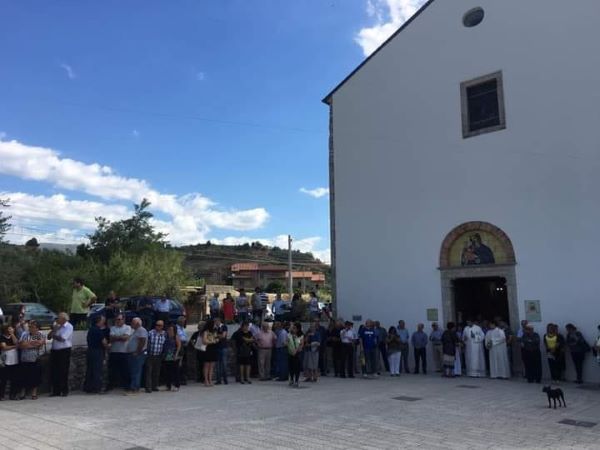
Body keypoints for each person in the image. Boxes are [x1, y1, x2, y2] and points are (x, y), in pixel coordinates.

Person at [17, 320, 45, 400]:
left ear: (37, 328)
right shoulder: (24, 334)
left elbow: (40, 344)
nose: (30, 328)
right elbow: (21, 345)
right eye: (29, 327)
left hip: (35, 358)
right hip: (25, 358)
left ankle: (34, 393)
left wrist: (28, 344)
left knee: (35, 376)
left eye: (32, 327)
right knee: (23, 376)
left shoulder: (41, 334)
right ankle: (22, 393)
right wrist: (33, 344)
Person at [48, 312, 73, 397]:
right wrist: (54, 329)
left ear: (63, 319)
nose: (57, 319)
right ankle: (56, 390)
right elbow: (48, 337)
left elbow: (62, 338)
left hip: (64, 350)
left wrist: (54, 335)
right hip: (55, 350)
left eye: (58, 318)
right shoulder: (56, 325)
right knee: (54, 370)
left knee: (63, 370)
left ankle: (64, 390)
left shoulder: (69, 327)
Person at [84, 315, 109, 393]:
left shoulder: (91, 329)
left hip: (90, 350)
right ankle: (97, 388)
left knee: (90, 369)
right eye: (102, 321)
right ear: (99, 321)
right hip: (97, 351)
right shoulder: (98, 331)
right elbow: (104, 342)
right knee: (97, 370)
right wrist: (108, 346)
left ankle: (88, 387)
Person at [107, 314, 131, 391]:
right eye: (117, 319)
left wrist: (116, 337)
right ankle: (111, 385)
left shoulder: (128, 327)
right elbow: (111, 338)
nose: (119, 321)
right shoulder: (113, 328)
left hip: (124, 352)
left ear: (124, 320)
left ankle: (126, 386)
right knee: (112, 370)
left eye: (120, 319)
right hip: (114, 352)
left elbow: (126, 338)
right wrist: (121, 337)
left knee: (125, 370)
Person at [125, 318, 148, 395]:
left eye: (133, 323)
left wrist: (137, 352)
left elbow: (142, 341)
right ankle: (133, 386)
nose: (131, 324)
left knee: (136, 371)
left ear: (138, 323)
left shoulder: (141, 330)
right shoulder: (135, 331)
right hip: (132, 353)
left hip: (138, 354)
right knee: (133, 371)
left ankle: (135, 388)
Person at [145, 320, 166, 393]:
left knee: (156, 372)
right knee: (149, 372)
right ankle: (148, 387)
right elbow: (146, 343)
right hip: (150, 355)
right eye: (157, 325)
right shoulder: (150, 333)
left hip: (159, 355)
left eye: (160, 325)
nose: (158, 326)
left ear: (162, 326)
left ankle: (155, 386)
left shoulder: (164, 334)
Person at [0, 324, 20, 400]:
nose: (11, 330)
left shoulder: (13, 336)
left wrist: (12, 335)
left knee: (14, 379)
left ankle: (13, 395)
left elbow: (16, 342)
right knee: (3, 379)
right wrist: (14, 347)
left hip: (14, 360)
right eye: (9, 329)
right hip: (5, 360)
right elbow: (4, 347)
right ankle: (1, 395)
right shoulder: (2, 337)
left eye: (12, 328)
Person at [163, 324, 182, 391]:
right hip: (167, 355)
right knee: (168, 371)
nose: (169, 331)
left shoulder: (176, 336)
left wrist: (176, 354)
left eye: (171, 329)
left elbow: (179, 346)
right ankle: (168, 385)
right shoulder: (166, 336)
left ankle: (177, 385)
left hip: (173, 354)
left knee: (175, 371)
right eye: (169, 329)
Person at [201, 319, 218, 386]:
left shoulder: (214, 331)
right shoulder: (205, 331)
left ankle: (210, 380)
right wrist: (212, 342)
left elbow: (216, 338)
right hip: (207, 349)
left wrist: (216, 340)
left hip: (213, 349)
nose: (214, 325)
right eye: (213, 324)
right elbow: (204, 341)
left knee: (212, 366)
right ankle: (206, 380)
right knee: (206, 366)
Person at [287, 322, 304, 388]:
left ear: (298, 329)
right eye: (293, 328)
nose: (293, 329)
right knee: (291, 367)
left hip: (297, 354)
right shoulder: (289, 335)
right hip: (290, 353)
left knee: (297, 367)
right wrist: (285, 343)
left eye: (294, 328)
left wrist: (296, 351)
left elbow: (301, 345)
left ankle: (296, 380)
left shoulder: (301, 335)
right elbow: (287, 341)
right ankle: (291, 379)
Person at [214, 317, 229, 384]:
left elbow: (223, 336)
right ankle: (218, 380)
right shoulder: (214, 328)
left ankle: (225, 379)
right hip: (216, 347)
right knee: (217, 365)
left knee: (224, 364)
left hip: (223, 347)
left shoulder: (224, 326)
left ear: (219, 321)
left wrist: (216, 335)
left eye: (216, 321)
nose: (215, 323)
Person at [175, 316, 188, 385]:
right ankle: (178, 378)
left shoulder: (182, 328)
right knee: (179, 362)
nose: (184, 323)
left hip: (184, 345)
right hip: (179, 345)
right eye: (184, 322)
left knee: (184, 363)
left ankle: (183, 378)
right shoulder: (176, 328)